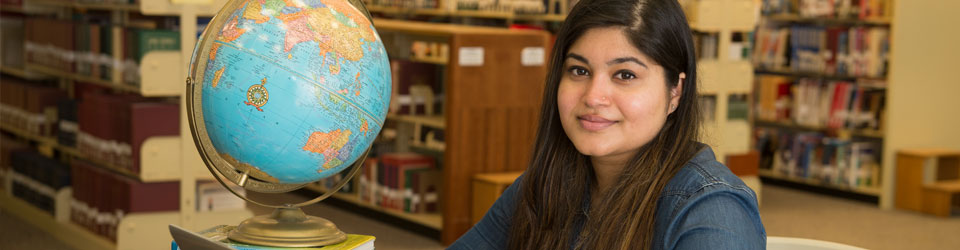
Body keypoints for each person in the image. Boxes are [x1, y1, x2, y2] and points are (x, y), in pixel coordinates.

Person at [448, 0, 765, 249]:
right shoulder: (545, 185)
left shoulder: (712, 210)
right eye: (579, 71)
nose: (593, 96)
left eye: (625, 75)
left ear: (675, 92)